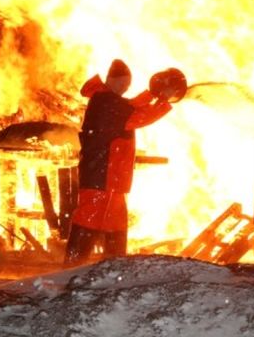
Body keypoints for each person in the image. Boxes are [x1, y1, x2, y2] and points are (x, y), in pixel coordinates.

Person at [65, 59, 175, 265]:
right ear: (112, 81)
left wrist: (152, 93)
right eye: (124, 83)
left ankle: (114, 269)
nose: (126, 87)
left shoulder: (109, 99)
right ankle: (72, 267)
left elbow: (130, 105)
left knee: (115, 223)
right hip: (100, 174)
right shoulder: (105, 101)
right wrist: (163, 101)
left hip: (111, 177)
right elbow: (137, 116)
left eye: (128, 83)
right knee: (89, 218)